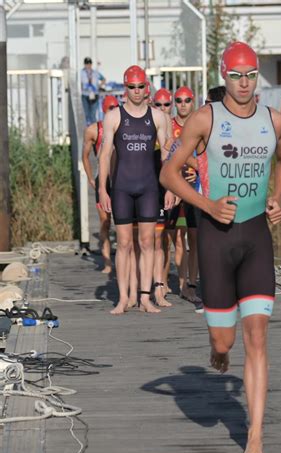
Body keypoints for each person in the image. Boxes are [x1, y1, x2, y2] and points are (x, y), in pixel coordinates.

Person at [161, 41, 281, 453]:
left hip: (255, 237)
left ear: (258, 77)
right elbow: (168, 173)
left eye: (250, 75)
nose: (243, 83)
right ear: (223, 75)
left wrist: (277, 196)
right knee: (226, 339)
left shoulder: (275, 121)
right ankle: (218, 350)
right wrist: (206, 206)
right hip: (216, 237)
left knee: (258, 337)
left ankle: (254, 436)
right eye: (235, 76)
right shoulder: (204, 119)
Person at [98, 65, 168, 315]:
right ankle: (124, 297)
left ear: (146, 88)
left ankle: (146, 298)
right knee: (125, 244)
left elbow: (167, 156)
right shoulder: (114, 117)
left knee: (147, 242)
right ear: (125, 89)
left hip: (149, 187)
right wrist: (102, 191)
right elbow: (105, 156)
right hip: (122, 189)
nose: (136, 91)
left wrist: (170, 189)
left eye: (140, 87)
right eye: (131, 87)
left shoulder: (158, 117)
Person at [166, 86, 201, 304]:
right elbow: (166, 153)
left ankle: (192, 283)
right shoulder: (169, 126)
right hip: (178, 188)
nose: (183, 104)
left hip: (196, 188)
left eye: (187, 100)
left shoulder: (199, 121)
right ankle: (181, 284)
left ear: (193, 101)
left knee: (195, 240)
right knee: (178, 239)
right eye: (179, 101)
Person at [81, 95, 119, 274]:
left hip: (120, 180)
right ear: (103, 109)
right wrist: (90, 177)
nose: (113, 111)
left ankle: (124, 260)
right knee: (105, 222)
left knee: (123, 223)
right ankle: (107, 263)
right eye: (110, 108)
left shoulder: (123, 127)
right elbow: (85, 156)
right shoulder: (93, 130)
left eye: (115, 107)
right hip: (102, 180)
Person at [152, 88, 174, 306]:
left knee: (161, 240)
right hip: (141, 187)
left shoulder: (170, 126)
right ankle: (139, 289)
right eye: (158, 104)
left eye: (167, 104)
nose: (163, 108)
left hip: (161, 187)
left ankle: (160, 285)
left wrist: (171, 188)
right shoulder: (147, 121)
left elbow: (170, 161)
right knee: (140, 242)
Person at [81, 57, 105, 125]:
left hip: (94, 95)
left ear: (91, 64)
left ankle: (94, 131)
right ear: (84, 64)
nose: (88, 65)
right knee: (86, 114)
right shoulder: (81, 73)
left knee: (93, 115)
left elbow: (103, 79)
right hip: (85, 95)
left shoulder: (95, 73)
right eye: (86, 64)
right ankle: (88, 130)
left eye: (89, 64)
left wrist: (99, 86)